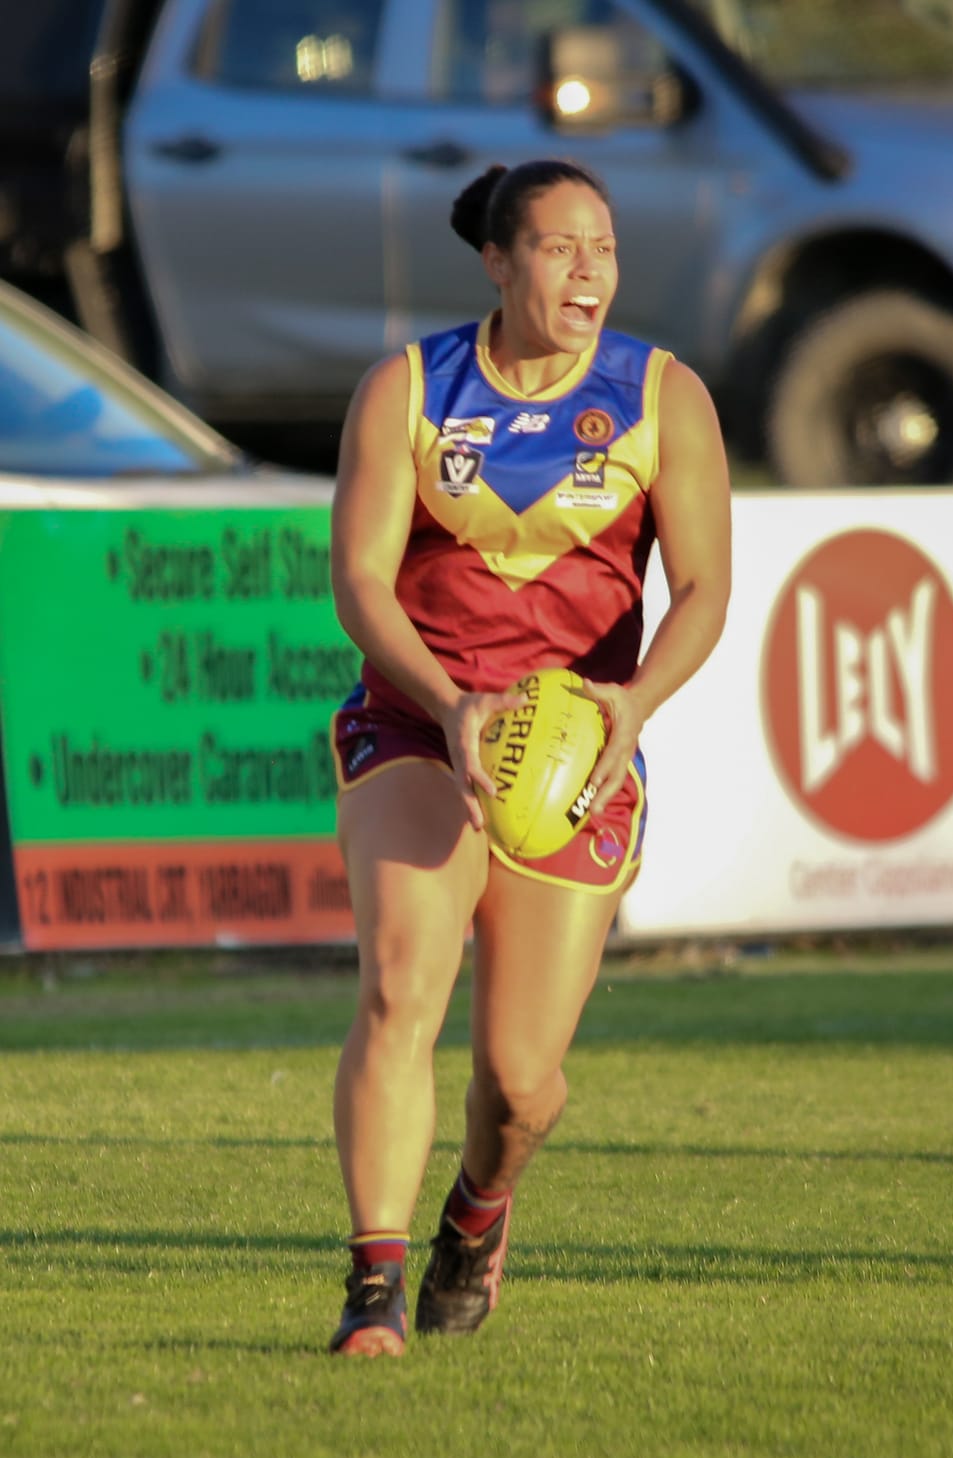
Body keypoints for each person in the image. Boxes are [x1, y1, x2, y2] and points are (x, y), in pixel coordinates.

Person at [327, 158, 731, 1357]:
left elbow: (704, 590)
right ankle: (372, 1294)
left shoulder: (663, 396)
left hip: (580, 756)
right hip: (420, 726)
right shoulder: (408, 388)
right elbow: (356, 580)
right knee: (402, 981)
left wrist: (633, 706)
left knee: (519, 1082)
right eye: (559, 248)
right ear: (498, 261)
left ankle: (479, 1209)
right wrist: (450, 704)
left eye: (602, 248)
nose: (589, 272)